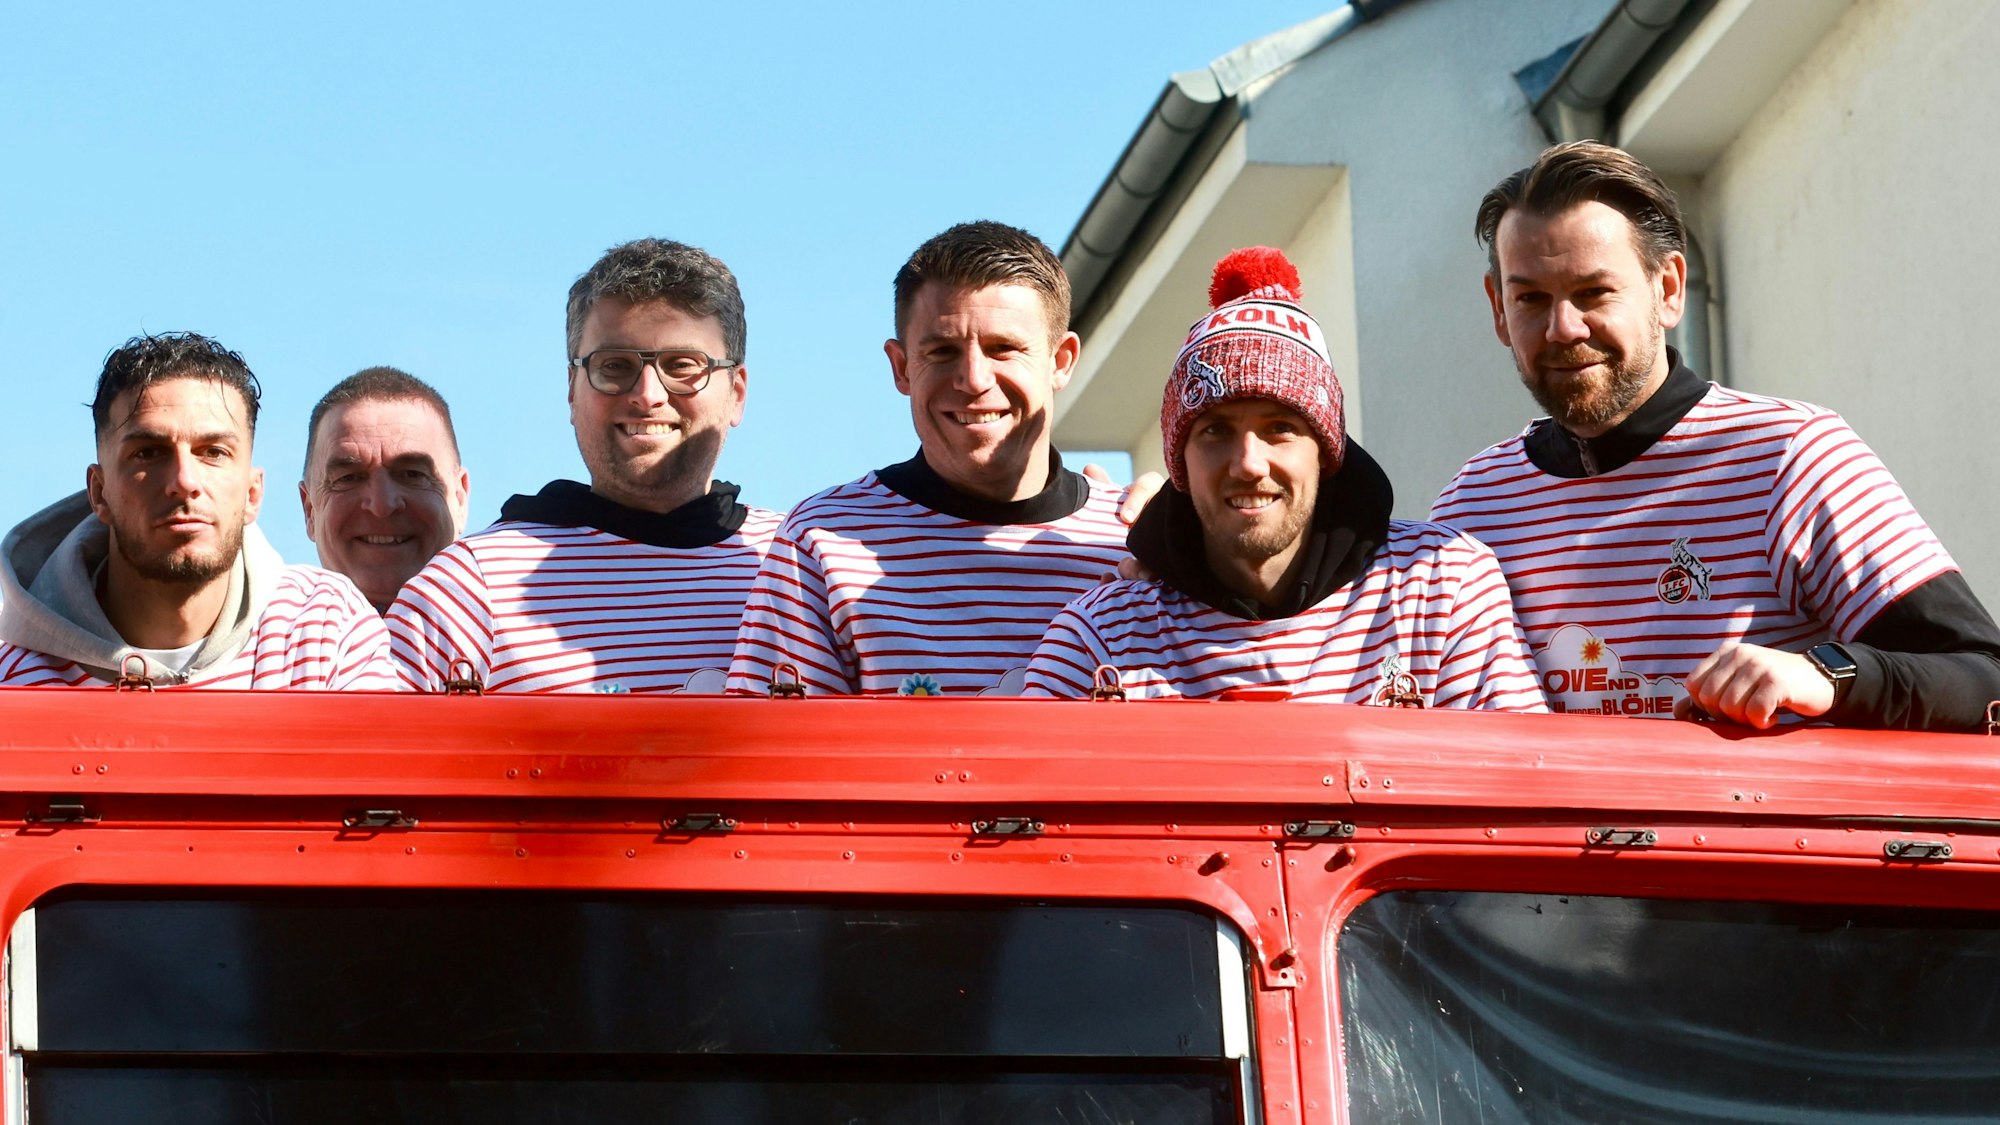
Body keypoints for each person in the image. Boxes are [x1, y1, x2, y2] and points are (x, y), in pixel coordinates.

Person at [1432, 141, 2000, 730]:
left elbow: (1987, 679)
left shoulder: (1790, 455)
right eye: (1531, 298)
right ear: (1498, 308)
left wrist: (1827, 674)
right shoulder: (1470, 511)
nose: (1563, 327)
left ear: (1669, 288)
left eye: (1594, 292)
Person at [1024, 248, 1545, 708]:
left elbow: (1520, 795)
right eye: (1215, 431)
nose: (1248, 463)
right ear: (1178, 461)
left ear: (1327, 450)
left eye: (1280, 428)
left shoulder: (1440, 588)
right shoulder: (1100, 640)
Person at [726, 221, 1129, 696]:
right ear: (901, 367)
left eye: (1004, 349)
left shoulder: (1136, 542)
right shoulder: (819, 543)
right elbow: (781, 759)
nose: (974, 378)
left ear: (1060, 361)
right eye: (942, 351)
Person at [386, 239, 780, 693]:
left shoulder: (801, 569)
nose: (648, 394)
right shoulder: (467, 590)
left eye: (682, 365)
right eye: (614, 366)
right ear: (572, 389)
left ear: (737, 392)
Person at [0, 333, 394, 688]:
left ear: (253, 494)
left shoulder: (325, 630)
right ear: (99, 493)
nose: (184, 480)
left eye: (214, 452)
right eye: (149, 453)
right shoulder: (12, 679)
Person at [301, 367, 470, 612]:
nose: (382, 505)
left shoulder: (531, 641)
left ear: (460, 499)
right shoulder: (258, 648)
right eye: (349, 478)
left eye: (413, 474)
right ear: (309, 510)